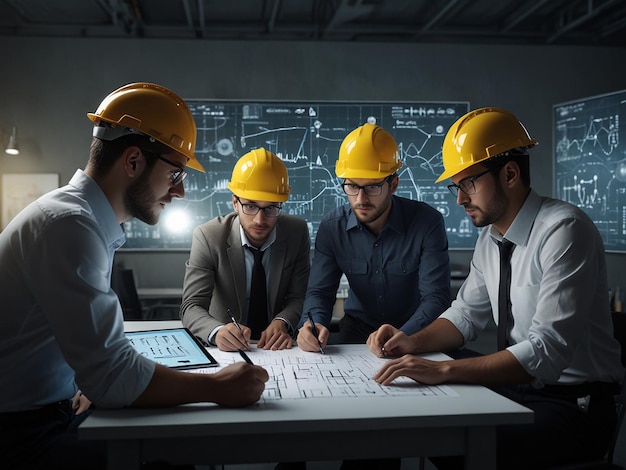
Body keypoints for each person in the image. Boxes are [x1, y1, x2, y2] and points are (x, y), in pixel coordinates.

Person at [0, 82, 268, 470]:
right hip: (21, 437)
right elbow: (112, 377)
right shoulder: (70, 226)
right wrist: (217, 386)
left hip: (45, 413)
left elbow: (86, 357)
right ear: (132, 161)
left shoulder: (78, 219)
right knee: (173, 456)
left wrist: (82, 384)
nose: (179, 191)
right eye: (175, 173)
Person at [367, 107, 625, 469]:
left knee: (456, 440)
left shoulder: (565, 231)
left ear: (509, 173)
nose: (459, 199)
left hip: (574, 406)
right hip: (521, 389)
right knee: (420, 392)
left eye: (468, 183)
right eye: (455, 187)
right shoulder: (491, 237)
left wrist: (441, 370)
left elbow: (545, 353)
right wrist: (413, 342)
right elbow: (464, 316)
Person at [297, 122, 450, 351]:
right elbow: (320, 291)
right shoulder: (332, 228)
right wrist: (312, 323)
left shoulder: (427, 223)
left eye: (372, 188)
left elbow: (435, 298)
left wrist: (405, 335)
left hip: (413, 332)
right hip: (356, 332)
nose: (360, 199)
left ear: (394, 184)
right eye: (352, 186)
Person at [180, 148, 310, 351]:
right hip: (228, 349)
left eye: (270, 208)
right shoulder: (208, 236)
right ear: (235, 203)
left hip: (279, 348)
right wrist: (217, 331)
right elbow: (191, 306)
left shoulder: (297, 232)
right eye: (250, 206)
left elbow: (299, 296)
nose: (260, 220)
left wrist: (282, 321)